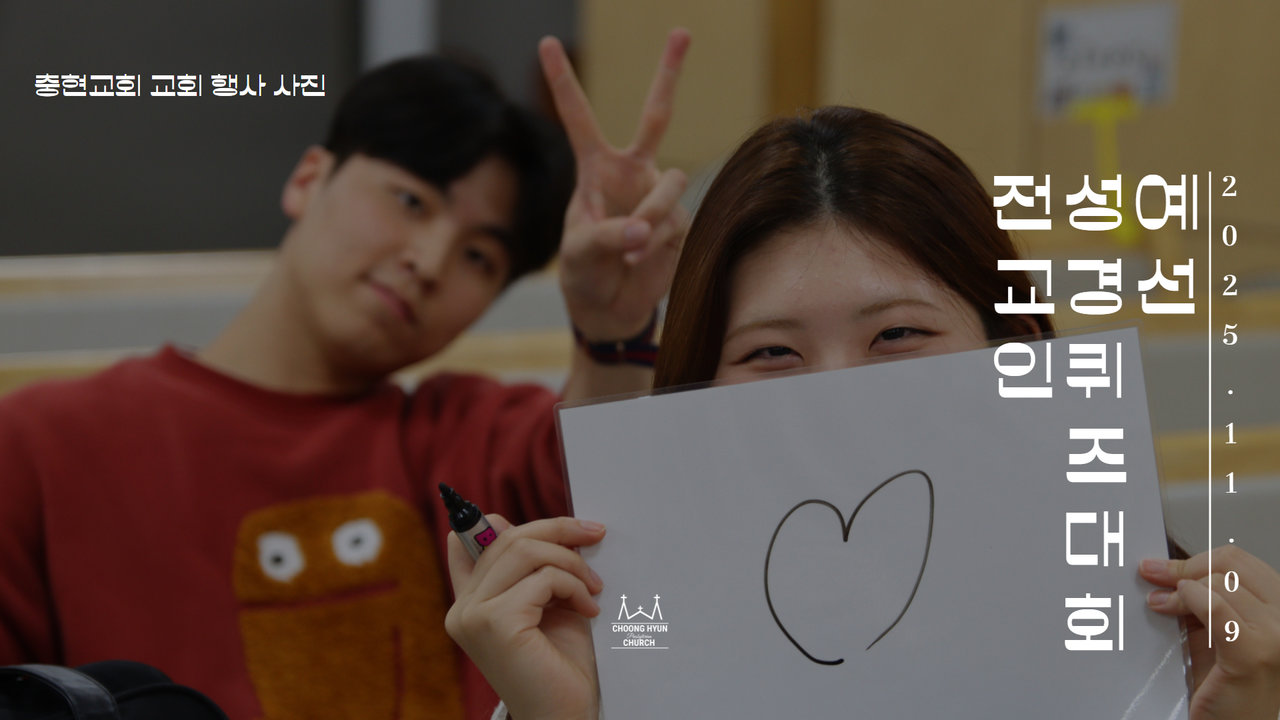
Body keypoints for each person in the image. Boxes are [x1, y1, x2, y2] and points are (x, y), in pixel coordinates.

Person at [444, 107, 1280, 720]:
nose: (836, 398)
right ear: (699, 382)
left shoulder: (1176, 651)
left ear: (1016, 352)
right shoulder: (627, 659)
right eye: (773, 352)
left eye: (898, 335)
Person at [0, 31, 692, 720]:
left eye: (479, 257)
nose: (429, 260)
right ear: (309, 178)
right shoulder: (41, 445)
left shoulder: (469, 437)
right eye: (412, 201)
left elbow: (603, 501)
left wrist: (614, 328)